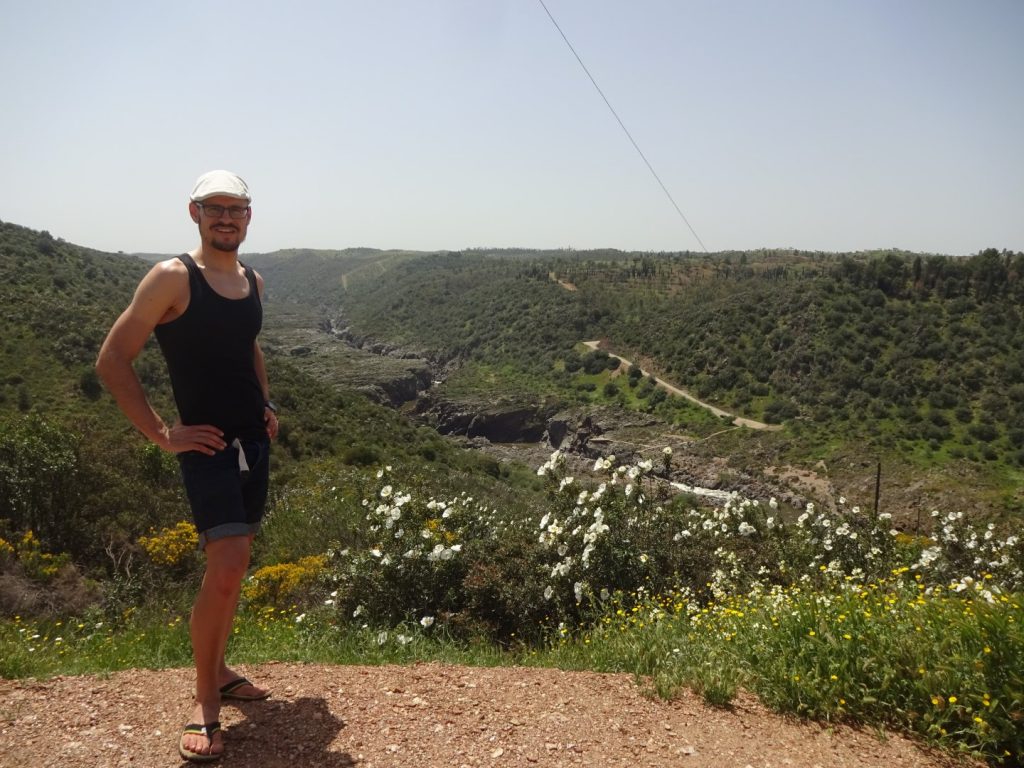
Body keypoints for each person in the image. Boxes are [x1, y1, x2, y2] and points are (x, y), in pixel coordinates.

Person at [96, 170, 279, 762]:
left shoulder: (252, 279)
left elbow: (248, 345)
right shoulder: (173, 278)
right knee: (228, 564)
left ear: (249, 216)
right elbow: (113, 360)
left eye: (237, 208)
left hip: (255, 442)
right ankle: (205, 702)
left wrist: (267, 403)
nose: (226, 217)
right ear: (194, 212)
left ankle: (221, 668)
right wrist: (161, 434)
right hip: (205, 447)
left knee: (237, 562)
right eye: (214, 207)